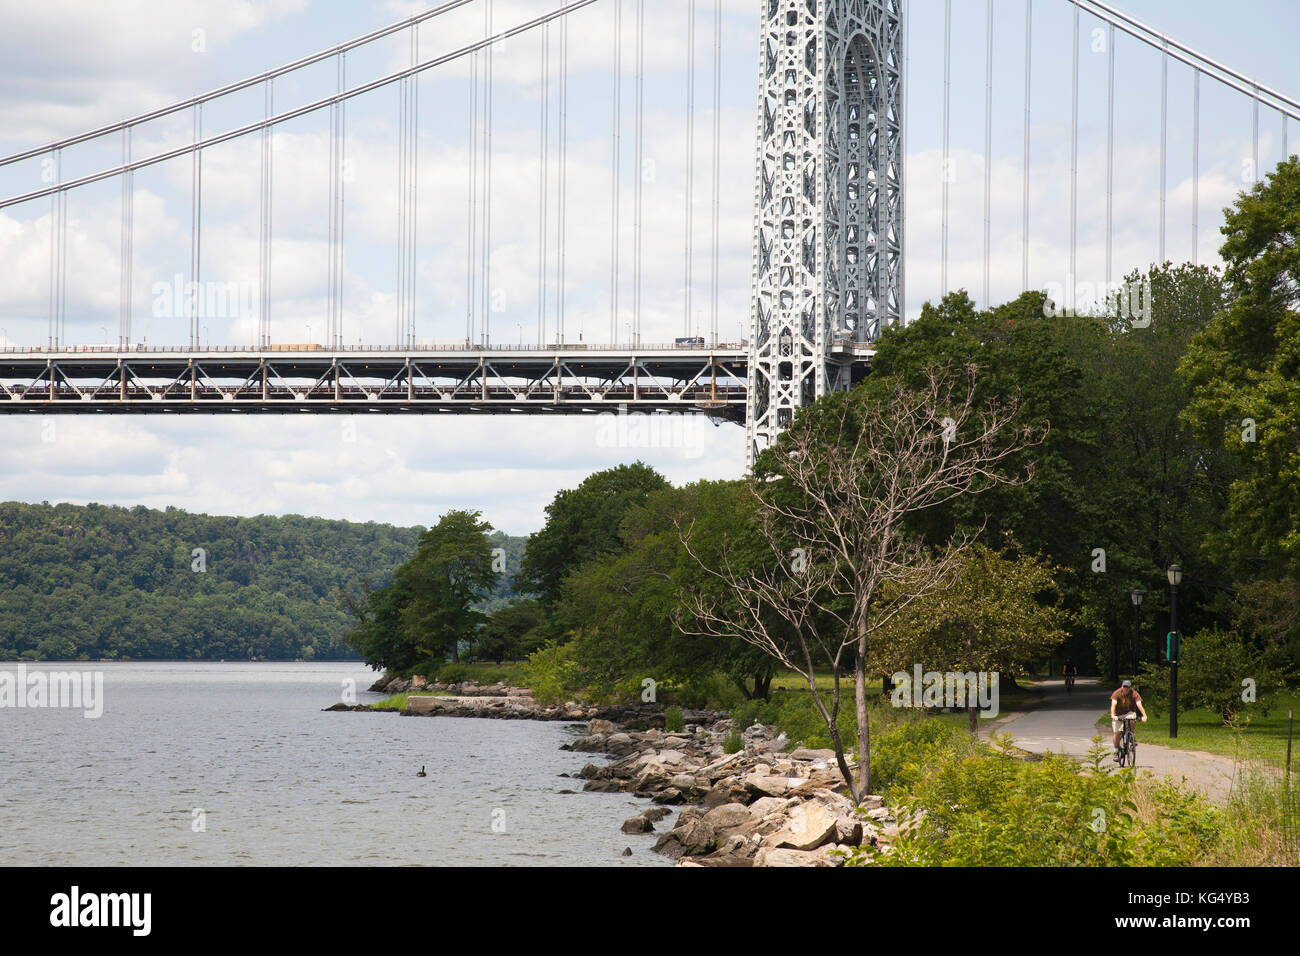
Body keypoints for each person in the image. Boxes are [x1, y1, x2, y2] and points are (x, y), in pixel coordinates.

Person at [1109, 679, 1147, 760]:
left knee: (1133, 719)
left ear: (1130, 688)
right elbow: (1113, 705)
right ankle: (1116, 751)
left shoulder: (1134, 693)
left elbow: (1139, 704)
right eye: (1124, 687)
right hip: (1117, 714)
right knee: (1117, 732)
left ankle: (1131, 736)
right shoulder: (1117, 693)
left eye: (1127, 687)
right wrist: (1113, 715)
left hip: (1128, 712)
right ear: (1122, 686)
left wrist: (1144, 715)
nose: (1125, 689)